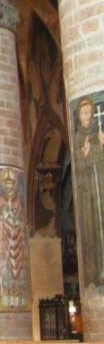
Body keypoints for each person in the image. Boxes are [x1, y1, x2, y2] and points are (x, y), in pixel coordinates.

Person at [74, 97, 104, 288]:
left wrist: (101, 144)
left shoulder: (97, 131)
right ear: (79, 116)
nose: (87, 116)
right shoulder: (78, 137)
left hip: (100, 184)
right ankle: (94, 274)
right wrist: (84, 153)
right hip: (87, 191)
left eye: (89, 112)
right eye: (83, 113)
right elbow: (79, 164)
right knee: (91, 227)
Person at [0, 168, 26, 308]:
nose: (9, 187)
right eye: (6, 184)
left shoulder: (19, 202)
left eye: (11, 183)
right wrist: (2, 219)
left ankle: (18, 299)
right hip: (4, 241)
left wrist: (17, 222)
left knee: (18, 272)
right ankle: (6, 298)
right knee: (5, 269)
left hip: (17, 242)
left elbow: (23, 221)